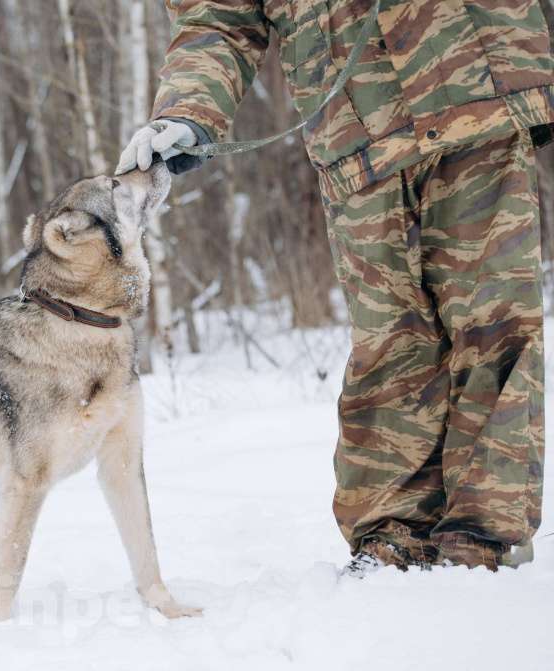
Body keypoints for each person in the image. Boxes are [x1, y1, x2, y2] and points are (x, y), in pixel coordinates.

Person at [117, 0, 554, 575]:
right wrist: (188, 111)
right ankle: (391, 535)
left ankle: (482, 537)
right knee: (389, 341)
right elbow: (217, 18)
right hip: (356, 134)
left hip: (472, 90)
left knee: (492, 322)